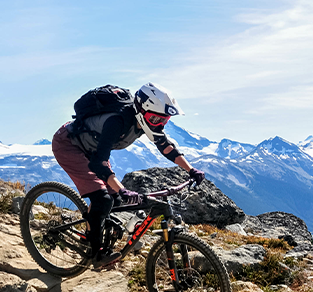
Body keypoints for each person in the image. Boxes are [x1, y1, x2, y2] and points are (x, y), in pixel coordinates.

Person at [52, 82, 205, 268]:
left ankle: (92, 231)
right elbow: (98, 163)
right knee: (102, 199)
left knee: (114, 199)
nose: (160, 125)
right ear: (142, 110)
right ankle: (97, 255)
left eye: (165, 121)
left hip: (92, 148)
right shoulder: (117, 121)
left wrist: (191, 170)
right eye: (156, 119)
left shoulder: (145, 122)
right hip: (69, 146)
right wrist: (123, 189)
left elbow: (166, 146)